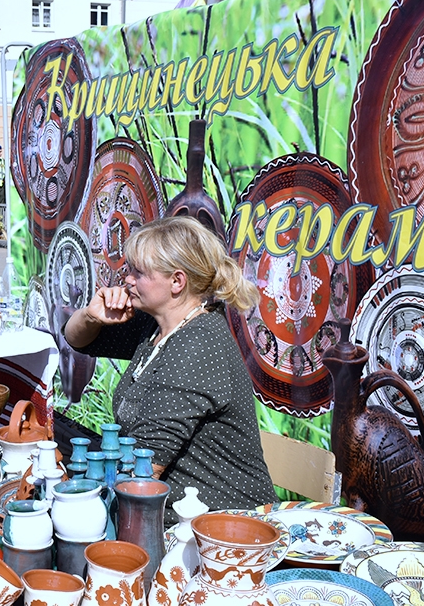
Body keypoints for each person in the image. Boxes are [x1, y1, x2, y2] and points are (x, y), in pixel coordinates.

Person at [63, 217, 276, 525]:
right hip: (178, 513)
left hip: (223, 525)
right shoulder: (157, 326)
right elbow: (77, 340)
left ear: (177, 281)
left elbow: (145, 470)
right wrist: (92, 315)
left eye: (139, 272)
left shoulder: (197, 346)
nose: (128, 280)